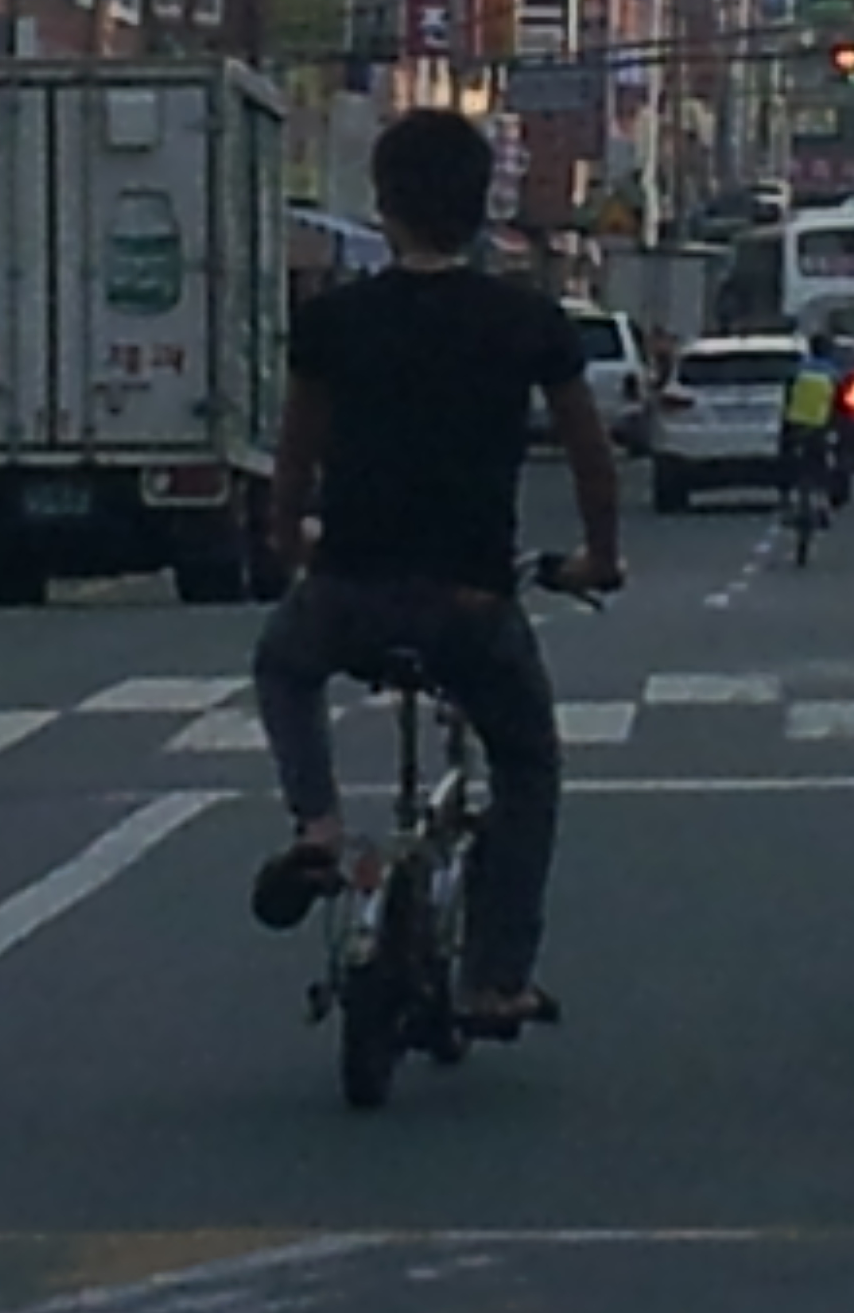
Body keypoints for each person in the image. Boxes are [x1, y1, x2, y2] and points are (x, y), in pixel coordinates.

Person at [247, 110, 625, 1036]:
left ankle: (319, 827)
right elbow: (590, 455)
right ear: (482, 205)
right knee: (529, 764)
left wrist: (294, 542)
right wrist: (599, 559)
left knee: (284, 665)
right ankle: (497, 976)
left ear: (383, 207)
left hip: (350, 590)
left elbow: (293, 461)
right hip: (470, 600)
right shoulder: (529, 321)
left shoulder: (332, 321)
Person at [780, 330, 845, 518]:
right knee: (825, 462)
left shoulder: (798, 369)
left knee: (790, 460)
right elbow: (839, 403)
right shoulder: (832, 372)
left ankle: (788, 498)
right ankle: (823, 502)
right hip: (820, 424)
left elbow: (788, 397)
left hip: (796, 423)